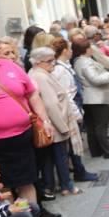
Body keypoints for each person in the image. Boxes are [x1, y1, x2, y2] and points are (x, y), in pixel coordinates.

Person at [0, 27, 54, 211]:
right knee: (1, 185)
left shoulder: (9, 65)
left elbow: (32, 94)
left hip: (21, 136)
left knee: (27, 181)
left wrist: (45, 121)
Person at [27, 47, 78, 196]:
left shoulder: (35, 73)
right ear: (38, 62)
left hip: (48, 123)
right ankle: (66, 186)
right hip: (54, 124)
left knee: (48, 158)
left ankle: (50, 186)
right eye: (49, 61)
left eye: (53, 60)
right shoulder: (41, 76)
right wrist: (63, 127)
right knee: (60, 156)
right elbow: (51, 104)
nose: (53, 64)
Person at [51, 39, 96, 183]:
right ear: (64, 51)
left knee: (74, 143)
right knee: (73, 143)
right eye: (69, 48)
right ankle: (78, 171)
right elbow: (66, 95)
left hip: (74, 104)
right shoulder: (60, 70)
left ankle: (79, 170)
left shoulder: (65, 66)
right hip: (70, 108)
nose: (71, 51)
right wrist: (76, 113)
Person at [72, 39, 109, 159]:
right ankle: (108, 152)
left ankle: (96, 151)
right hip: (96, 97)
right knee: (101, 126)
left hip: (90, 97)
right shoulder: (85, 62)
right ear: (86, 49)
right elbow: (95, 79)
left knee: (92, 126)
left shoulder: (79, 61)